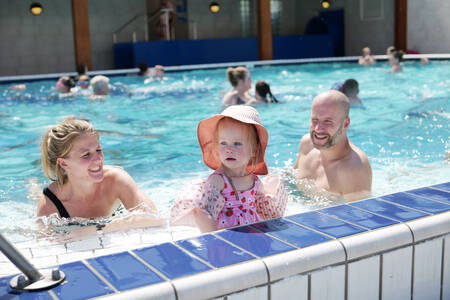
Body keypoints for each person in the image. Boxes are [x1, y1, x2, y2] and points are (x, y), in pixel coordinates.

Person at [170, 105, 287, 232]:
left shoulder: (254, 181)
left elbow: (264, 207)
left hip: (252, 234)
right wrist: (214, 239)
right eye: (223, 143)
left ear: (253, 150)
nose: (229, 149)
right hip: (227, 239)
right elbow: (202, 213)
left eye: (237, 143)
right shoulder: (219, 181)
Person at [37, 118, 164, 228]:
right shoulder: (50, 205)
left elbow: (154, 218)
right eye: (86, 155)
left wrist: (97, 228)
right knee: (35, 192)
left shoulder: (116, 179)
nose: (98, 159)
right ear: (64, 163)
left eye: (98, 150)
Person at [293, 90, 372, 201]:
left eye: (328, 121)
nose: (318, 129)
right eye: (315, 120)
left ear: (346, 123)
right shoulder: (307, 144)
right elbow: (290, 180)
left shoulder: (354, 169)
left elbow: (359, 215)